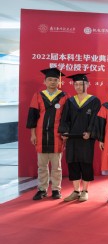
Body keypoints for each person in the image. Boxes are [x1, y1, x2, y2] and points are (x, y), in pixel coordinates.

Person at [58, 73, 101, 202]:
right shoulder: (70, 101)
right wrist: (64, 132)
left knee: (86, 163)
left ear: (87, 85)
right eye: (75, 84)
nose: (78, 87)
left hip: (86, 138)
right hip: (72, 138)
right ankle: (76, 191)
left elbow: (95, 119)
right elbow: (65, 119)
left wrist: (90, 132)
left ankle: (85, 191)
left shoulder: (94, 101)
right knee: (73, 163)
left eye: (81, 84)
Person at [26, 68, 68, 200]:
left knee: (57, 166)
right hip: (41, 134)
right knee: (42, 166)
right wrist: (33, 134)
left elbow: (66, 118)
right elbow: (33, 116)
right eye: (50, 80)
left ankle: (56, 189)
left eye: (55, 80)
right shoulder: (38, 95)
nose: (53, 82)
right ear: (44, 81)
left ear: (59, 82)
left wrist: (65, 133)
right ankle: (42, 189)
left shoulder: (64, 96)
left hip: (57, 135)